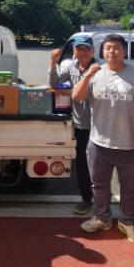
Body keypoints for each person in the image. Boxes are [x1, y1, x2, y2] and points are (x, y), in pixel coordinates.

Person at [73, 33, 134, 244]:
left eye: (116, 47)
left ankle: (127, 221)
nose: (112, 51)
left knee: (130, 188)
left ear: (124, 51)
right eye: (108, 48)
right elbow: (77, 96)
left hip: (129, 144)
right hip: (99, 143)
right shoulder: (95, 73)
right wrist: (87, 75)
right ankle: (102, 218)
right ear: (102, 51)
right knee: (99, 185)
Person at [48, 35, 96, 215]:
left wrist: (67, 91)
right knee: (82, 164)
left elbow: (85, 95)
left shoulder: (99, 69)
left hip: (99, 126)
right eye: (79, 48)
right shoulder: (71, 66)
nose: (82, 52)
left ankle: (102, 202)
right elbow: (54, 84)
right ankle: (86, 200)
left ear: (92, 51)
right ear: (74, 50)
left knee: (100, 167)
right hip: (80, 125)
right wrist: (53, 62)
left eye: (86, 48)